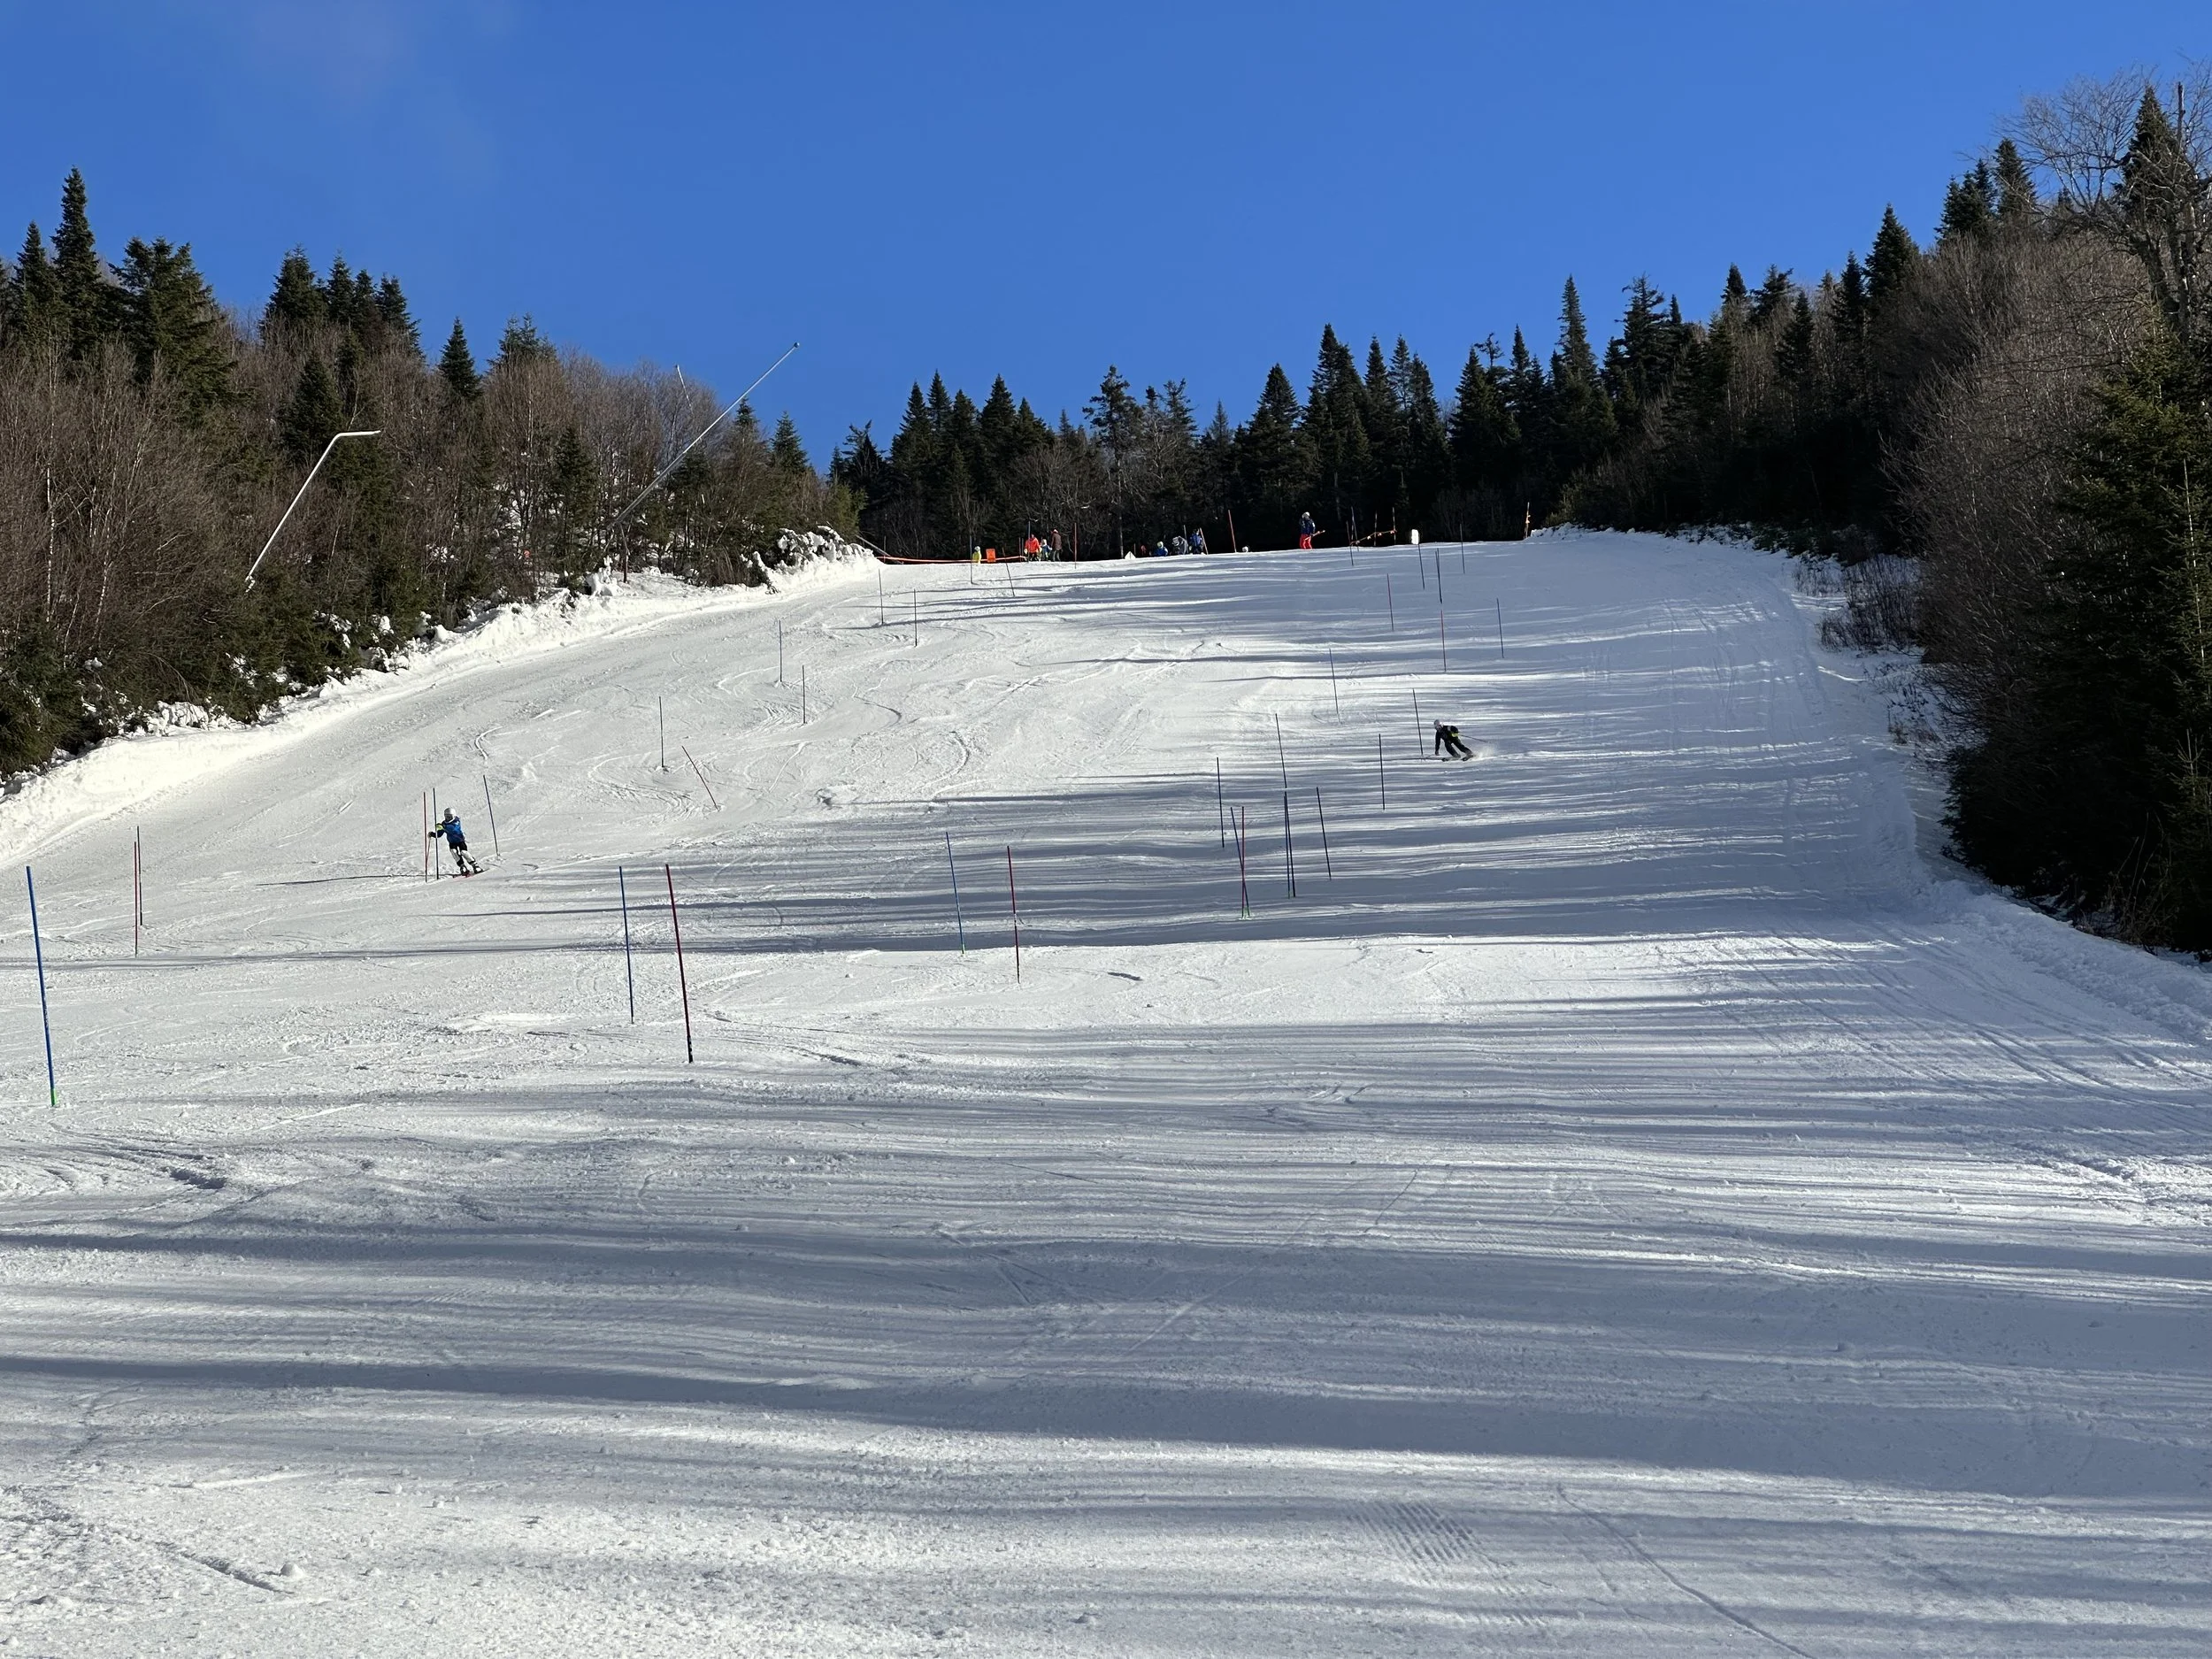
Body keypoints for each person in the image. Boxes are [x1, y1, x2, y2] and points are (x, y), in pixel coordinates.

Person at [429, 807, 483, 874]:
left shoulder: (456, 821)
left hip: (460, 840)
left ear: (453, 816)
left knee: (464, 852)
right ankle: (462, 866)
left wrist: (443, 827)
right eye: (446, 816)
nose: (448, 818)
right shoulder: (444, 823)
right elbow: (439, 834)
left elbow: (453, 829)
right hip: (452, 842)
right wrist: (433, 834)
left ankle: (475, 865)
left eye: (450, 817)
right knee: (453, 852)